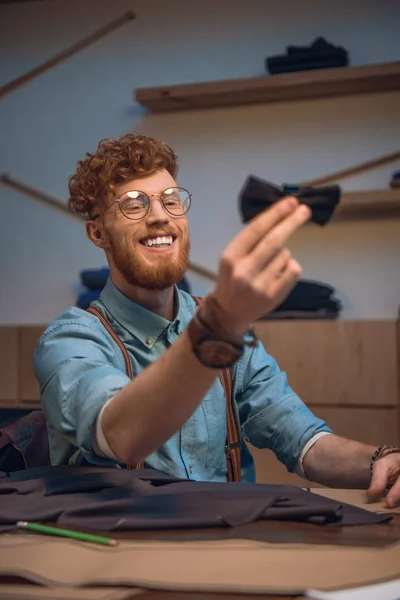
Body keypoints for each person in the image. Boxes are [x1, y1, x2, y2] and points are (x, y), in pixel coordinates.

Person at [34, 133, 400, 508]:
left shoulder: (226, 324)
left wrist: (381, 461)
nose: (160, 216)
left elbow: (303, 441)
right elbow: (119, 434)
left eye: (170, 200)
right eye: (133, 204)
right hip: (119, 552)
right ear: (98, 232)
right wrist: (218, 329)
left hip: (227, 543)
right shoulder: (71, 340)